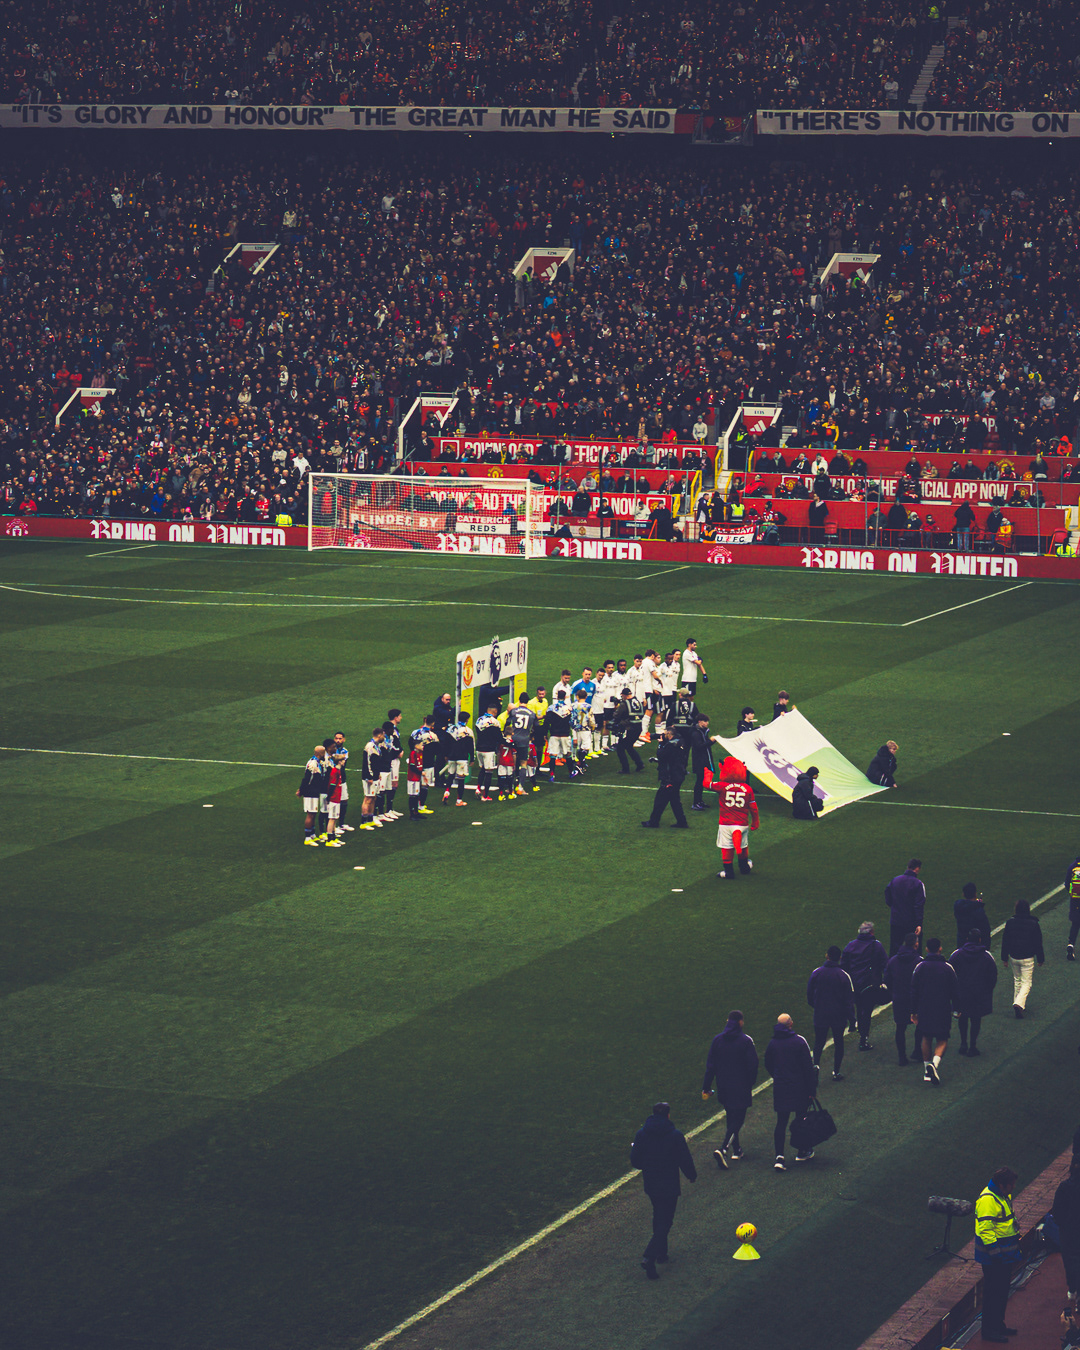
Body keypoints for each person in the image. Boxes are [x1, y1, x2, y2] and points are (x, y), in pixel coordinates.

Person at [630, 1102, 697, 1280]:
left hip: (651, 1183)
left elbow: (635, 1160)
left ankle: (661, 1253)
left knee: (658, 1215)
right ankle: (650, 1255)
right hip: (669, 1183)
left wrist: (648, 1166)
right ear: (668, 1115)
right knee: (666, 1221)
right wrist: (691, 1175)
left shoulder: (642, 1134)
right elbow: (684, 1158)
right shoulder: (675, 1135)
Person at [701, 1010, 759, 1164]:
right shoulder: (746, 1041)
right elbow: (753, 1065)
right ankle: (724, 1148)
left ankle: (737, 1149)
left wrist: (706, 1087)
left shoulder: (717, 1040)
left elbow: (710, 1066)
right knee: (738, 1119)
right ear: (740, 1022)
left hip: (723, 1086)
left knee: (731, 1116)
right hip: (741, 1086)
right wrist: (750, 1082)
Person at [764, 1014, 818, 1171]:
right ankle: (802, 1150)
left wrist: (777, 1076)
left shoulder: (773, 1043)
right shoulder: (799, 1041)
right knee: (800, 1119)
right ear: (791, 1024)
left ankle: (779, 1156)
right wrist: (812, 1090)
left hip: (781, 1087)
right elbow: (808, 1068)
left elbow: (768, 1063)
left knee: (781, 1122)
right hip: (799, 1087)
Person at [974, 1166, 1022, 1342]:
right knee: (992, 1294)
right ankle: (989, 1331)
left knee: (1001, 1292)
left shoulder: (1001, 1195)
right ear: (1002, 1185)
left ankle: (998, 1325)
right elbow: (986, 1230)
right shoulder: (988, 1200)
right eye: (1011, 1185)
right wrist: (996, 1255)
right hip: (994, 1258)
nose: (1013, 1188)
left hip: (1004, 1256)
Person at [909, 937, 958, 1085]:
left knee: (926, 1037)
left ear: (926, 949)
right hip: (942, 1008)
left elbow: (914, 991)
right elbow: (955, 991)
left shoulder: (920, 967)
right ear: (940, 949)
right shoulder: (947, 968)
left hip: (924, 1008)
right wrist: (957, 1008)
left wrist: (913, 1011)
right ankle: (934, 1065)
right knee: (942, 1039)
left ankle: (926, 1070)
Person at [702, 756, 759, 877]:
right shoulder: (748, 789)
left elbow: (706, 784)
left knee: (727, 847)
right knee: (742, 846)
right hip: (742, 824)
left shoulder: (722, 786)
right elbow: (753, 808)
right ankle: (744, 868)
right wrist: (755, 821)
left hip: (726, 824)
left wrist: (708, 773)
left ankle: (728, 872)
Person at [807, 946, 856, 1081]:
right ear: (839, 958)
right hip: (838, 1016)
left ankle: (815, 1067)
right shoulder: (843, 975)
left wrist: (817, 1006)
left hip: (821, 1014)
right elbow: (849, 1001)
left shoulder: (816, 973)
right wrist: (852, 1020)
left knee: (819, 1043)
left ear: (827, 956)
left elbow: (809, 995)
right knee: (839, 1042)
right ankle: (836, 1071)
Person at [841, 920, 888, 1051]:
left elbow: (843, 966)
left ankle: (858, 1027)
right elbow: (886, 965)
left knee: (860, 1009)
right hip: (869, 985)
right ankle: (863, 1038)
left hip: (854, 985)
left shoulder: (850, 945)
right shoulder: (876, 946)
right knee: (866, 1011)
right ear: (872, 932)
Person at [950, 930, 998, 1057]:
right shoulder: (986, 956)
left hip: (962, 993)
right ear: (980, 940)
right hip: (979, 994)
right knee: (976, 1019)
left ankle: (963, 1043)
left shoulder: (957, 954)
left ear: (967, 939)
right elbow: (993, 976)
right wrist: (987, 991)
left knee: (963, 1018)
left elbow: (950, 973)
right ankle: (972, 1046)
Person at [1001, 899, 1045, 1018]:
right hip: (1027, 957)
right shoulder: (1034, 923)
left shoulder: (1010, 922)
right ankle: (1018, 1004)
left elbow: (1005, 941)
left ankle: (1019, 1004)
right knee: (1027, 983)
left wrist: (1004, 957)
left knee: (1017, 980)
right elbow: (1038, 943)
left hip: (1014, 956)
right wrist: (1040, 959)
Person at [641, 727, 690, 829]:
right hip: (678, 775)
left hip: (670, 778)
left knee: (660, 801)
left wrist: (660, 744)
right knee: (675, 800)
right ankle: (682, 822)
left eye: (665, 734)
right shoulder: (680, 742)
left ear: (669, 735)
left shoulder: (670, 745)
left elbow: (661, 755)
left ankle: (653, 822)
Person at [885, 933, 922, 1066]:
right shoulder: (919, 961)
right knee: (919, 1025)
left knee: (900, 1027)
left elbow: (887, 980)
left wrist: (894, 991)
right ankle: (917, 1051)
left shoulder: (893, 960)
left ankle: (902, 1057)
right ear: (916, 944)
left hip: (899, 998)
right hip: (915, 999)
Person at [1053, 1157, 1080, 1305]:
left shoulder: (1064, 1187)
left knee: (1070, 1262)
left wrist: (1063, 1224)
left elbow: (1057, 1212)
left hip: (1068, 1233)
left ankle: (1073, 1289)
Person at [885, 858, 926, 956]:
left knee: (894, 948)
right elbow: (919, 905)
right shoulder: (918, 884)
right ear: (917, 869)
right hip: (911, 922)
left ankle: (893, 964)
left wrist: (894, 907)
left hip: (896, 920)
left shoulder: (895, 880)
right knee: (914, 948)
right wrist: (919, 923)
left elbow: (888, 896)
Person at [507, 694, 538, 798]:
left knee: (512, 762)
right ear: (528, 701)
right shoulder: (532, 714)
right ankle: (520, 788)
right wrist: (531, 735)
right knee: (523, 763)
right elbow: (536, 727)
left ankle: (510, 787)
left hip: (513, 739)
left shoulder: (513, 711)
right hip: (524, 740)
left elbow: (507, 723)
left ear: (519, 700)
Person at [297, 744, 328, 845]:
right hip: (310, 792)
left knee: (313, 813)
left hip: (314, 792)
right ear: (320, 754)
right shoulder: (313, 764)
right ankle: (307, 838)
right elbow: (306, 779)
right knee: (310, 814)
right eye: (323, 753)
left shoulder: (318, 762)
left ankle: (312, 834)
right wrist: (301, 791)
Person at [610, 688, 645, 774]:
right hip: (638, 727)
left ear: (624, 695)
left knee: (620, 748)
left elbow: (617, 715)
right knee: (629, 746)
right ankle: (639, 764)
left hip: (628, 729)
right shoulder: (638, 702)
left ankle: (625, 768)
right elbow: (642, 714)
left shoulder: (624, 704)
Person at [443, 716, 474, 806]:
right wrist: (472, 758)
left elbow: (446, 743)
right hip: (462, 758)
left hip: (451, 756)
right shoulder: (468, 731)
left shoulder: (450, 729)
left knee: (451, 775)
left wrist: (446, 755)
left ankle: (446, 792)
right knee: (461, 779)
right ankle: (459, 800)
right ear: (467, 719)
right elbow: (471, 746)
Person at [474, 704, 503, 800]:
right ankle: (485, 795)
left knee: (482, 768)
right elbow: (499, 737)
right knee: (489, 771)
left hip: (479, 748)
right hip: (489, 750)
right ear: (495, 711)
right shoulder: (495, 722)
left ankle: (478, 788)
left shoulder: (479, 719)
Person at [954, 882, 991, 952]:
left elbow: (968, 906)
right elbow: (986, 931)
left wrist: (976, 904)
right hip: (976, 948)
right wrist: (978, 905)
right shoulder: (979, 912)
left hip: (962, 944)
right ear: (975, 894)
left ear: (963, 894)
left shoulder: (958, 908)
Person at [689, 714, 715, 810]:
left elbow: (705, 744)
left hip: (703, 759)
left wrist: (712, 741)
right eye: (705, 721)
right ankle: (696, 803)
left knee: (701, 781)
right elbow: (699, 746)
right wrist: (710, 741)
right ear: (700, 722)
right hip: (699, 761)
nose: (707, 723)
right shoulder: (696, 733)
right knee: (699, 782)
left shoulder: (702, 731)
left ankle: (699, 801)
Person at [1067, 853, 1080, 961]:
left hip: (1075, 901)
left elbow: (1067, 884)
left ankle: (1071, 944)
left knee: (1075, 923)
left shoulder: (1072, 866)